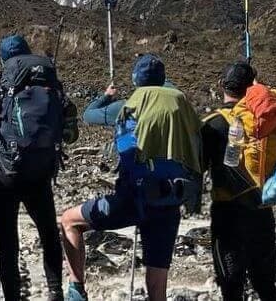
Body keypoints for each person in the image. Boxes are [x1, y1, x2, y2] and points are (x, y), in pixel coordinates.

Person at [60, 54, 202, 301]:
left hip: (131, 199)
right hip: (169, 199)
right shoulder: (182, 106)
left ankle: (77, 291)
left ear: (137, 79)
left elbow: (89, 115)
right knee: (157, 286)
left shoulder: (128, 105)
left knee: (69, 221)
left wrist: (106, 96)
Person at [0, 35, 77, 301]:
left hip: (3, 176)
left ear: (4, 61)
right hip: (40, 173)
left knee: (7, 241)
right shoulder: (55, 93)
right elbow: (71, 135)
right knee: (48, 234)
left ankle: (12, 296)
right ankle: (55, 291)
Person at [201, 61, 276, 301]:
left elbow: (199, 166)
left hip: (228, 210)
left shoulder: (212, 123)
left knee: (231, 283)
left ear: (221, 85)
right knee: (265, 283)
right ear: (251, 88)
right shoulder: (263, 120)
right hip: (262, 208)